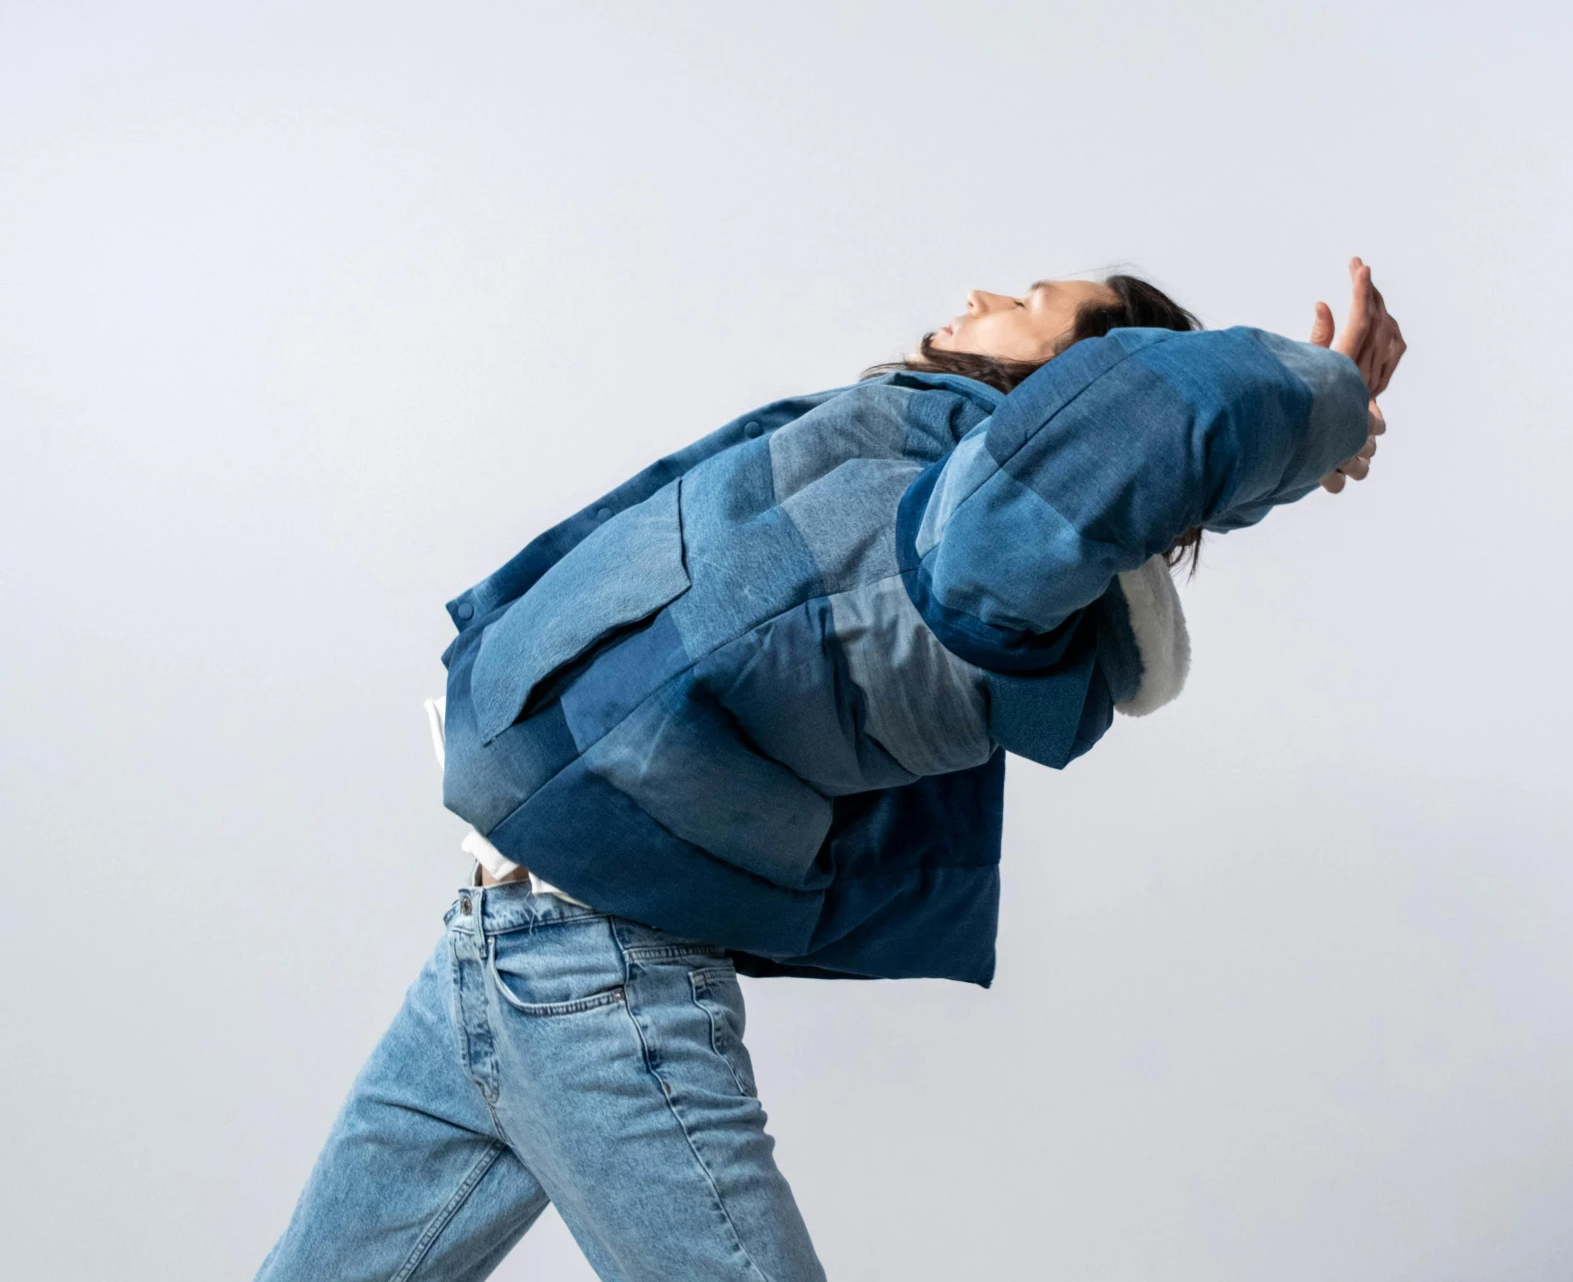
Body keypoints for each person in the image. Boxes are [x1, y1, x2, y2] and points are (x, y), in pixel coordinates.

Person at [254, 260, 1407, 1281]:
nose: (982, 294)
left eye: (1028, 303)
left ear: (1073, 387)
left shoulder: (970, 526)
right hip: (486, 951)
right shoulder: (913, 456)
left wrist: (1321, 395)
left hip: (598, 978)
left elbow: (1150, 418)